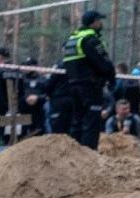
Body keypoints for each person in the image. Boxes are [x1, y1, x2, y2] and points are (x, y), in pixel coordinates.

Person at [50, 9, 115, 150]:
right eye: (99, 20)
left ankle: (76, 153)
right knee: (91, 122)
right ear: (94, 22)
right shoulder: (90, 40)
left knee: (77, 121)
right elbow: (103, 63)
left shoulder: (73, 39)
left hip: (73, 85)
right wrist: (110, 77)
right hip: (90, 86)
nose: (101, 23)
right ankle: (89, 154)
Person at [20, 57, 49, 136]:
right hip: (25, 111)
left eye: (29, 66)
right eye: (26, 66)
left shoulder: (43, 79)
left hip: (38, 112)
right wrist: (25, 99)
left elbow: (47, 95)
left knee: (39, 133)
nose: (27, 68)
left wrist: (37, 98)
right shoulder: (21, 79)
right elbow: (17, 94)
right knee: (24, 134)